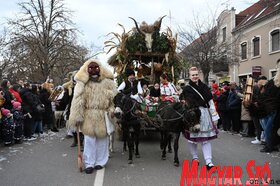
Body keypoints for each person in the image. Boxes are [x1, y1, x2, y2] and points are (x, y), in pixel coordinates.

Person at [69, 59, 117, 174]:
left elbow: (113, 101)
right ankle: (89, 163)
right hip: (88, 115)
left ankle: (100, 161)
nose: (94, 70)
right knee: (89, 140)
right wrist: (76, 116)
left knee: (102, 140)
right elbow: (78, 101)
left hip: (103, 115)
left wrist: (112, 111)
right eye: (91, 68)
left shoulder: (108, 83)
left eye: (96, 68)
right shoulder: (82, 84)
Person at [180, 67, 219, 170]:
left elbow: (210, 103)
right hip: (193, 115)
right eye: (193, 75)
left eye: (196, 74)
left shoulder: (205, 87)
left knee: (206, 140)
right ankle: (195, 158)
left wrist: (215, 116)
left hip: (205, 114)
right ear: (189, 76)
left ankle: (209, 162)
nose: (195, 76)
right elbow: (184, 102)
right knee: (192, 139)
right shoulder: (187, 89)